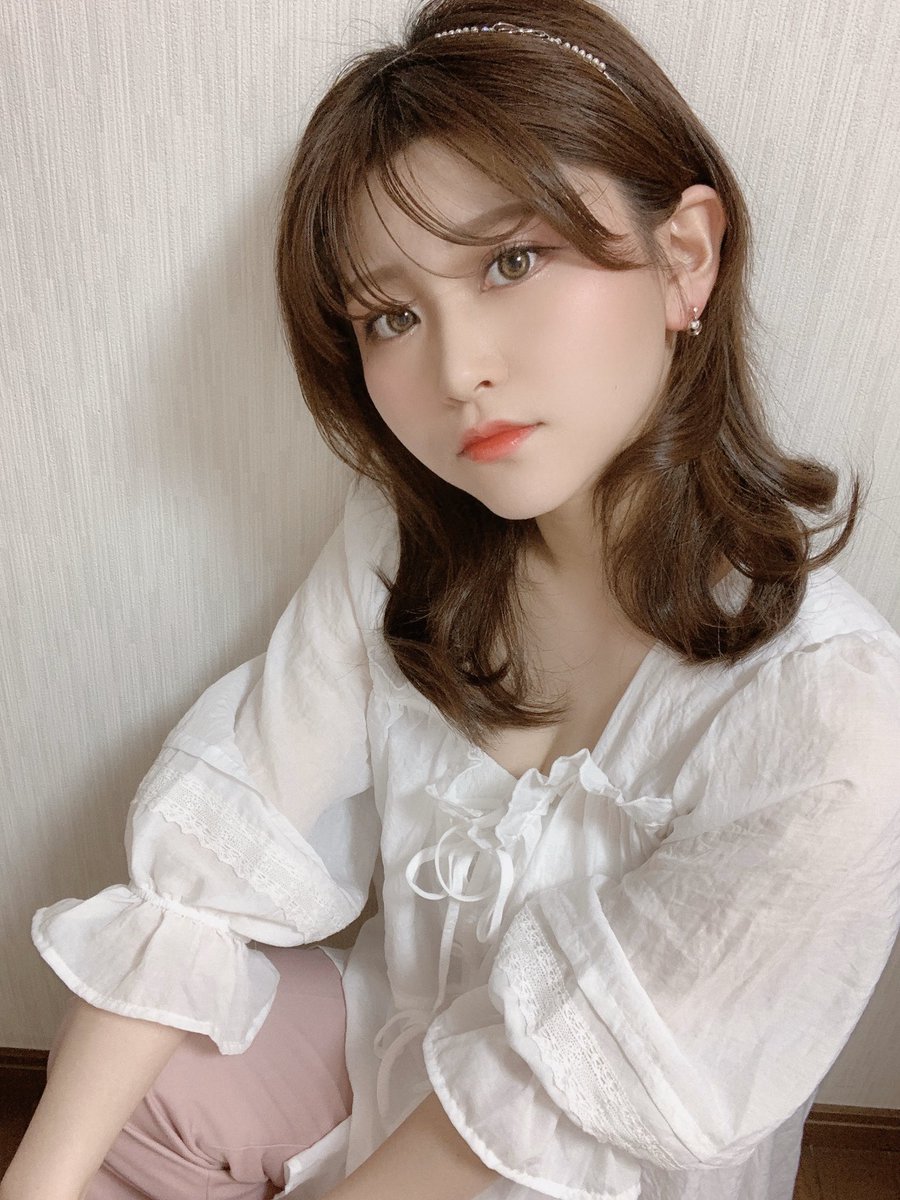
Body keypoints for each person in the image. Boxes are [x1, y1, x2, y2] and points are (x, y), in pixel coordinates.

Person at [3, 1, 899, 1198]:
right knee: (139, 1077)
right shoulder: (401, 538)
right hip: (400, 1044)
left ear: (685, 257)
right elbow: (205, 871)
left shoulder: (834, 714)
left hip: (588, 1167)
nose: (457, 369)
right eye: (390, 315)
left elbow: (561, 1102)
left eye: (512, 261)